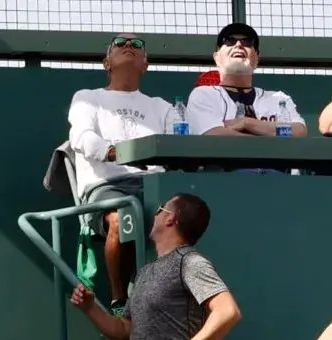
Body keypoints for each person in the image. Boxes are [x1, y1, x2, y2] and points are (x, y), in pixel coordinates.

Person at [67, 32, 173, 312]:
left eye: (137, 45)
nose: (129, 46)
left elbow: (179, 140)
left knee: (184, 215)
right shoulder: (88, 99)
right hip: (107, 185)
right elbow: (82, 138)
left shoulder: (160, 106)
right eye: (120, 44)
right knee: (121, 218)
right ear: (107, 62)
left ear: (145, 64)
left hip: (155, 185)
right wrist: (121, 154)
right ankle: (119, 302)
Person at [70, 193, 241, 339]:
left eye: (160, 210)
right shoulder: (145, 272)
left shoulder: (190, 262)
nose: (154, 215)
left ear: (170, 218)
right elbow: (124, 329)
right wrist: (90, 308)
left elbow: (227, 311)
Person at [186, 22, 308, 138]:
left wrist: (248, 123)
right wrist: (271, 134)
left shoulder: (278, 99)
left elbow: (299, 131)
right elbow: (215, 135)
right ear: (217, 58)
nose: (238, 44)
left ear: (257, 59)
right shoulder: (204, 95)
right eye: (229, 41)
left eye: (247, 42)